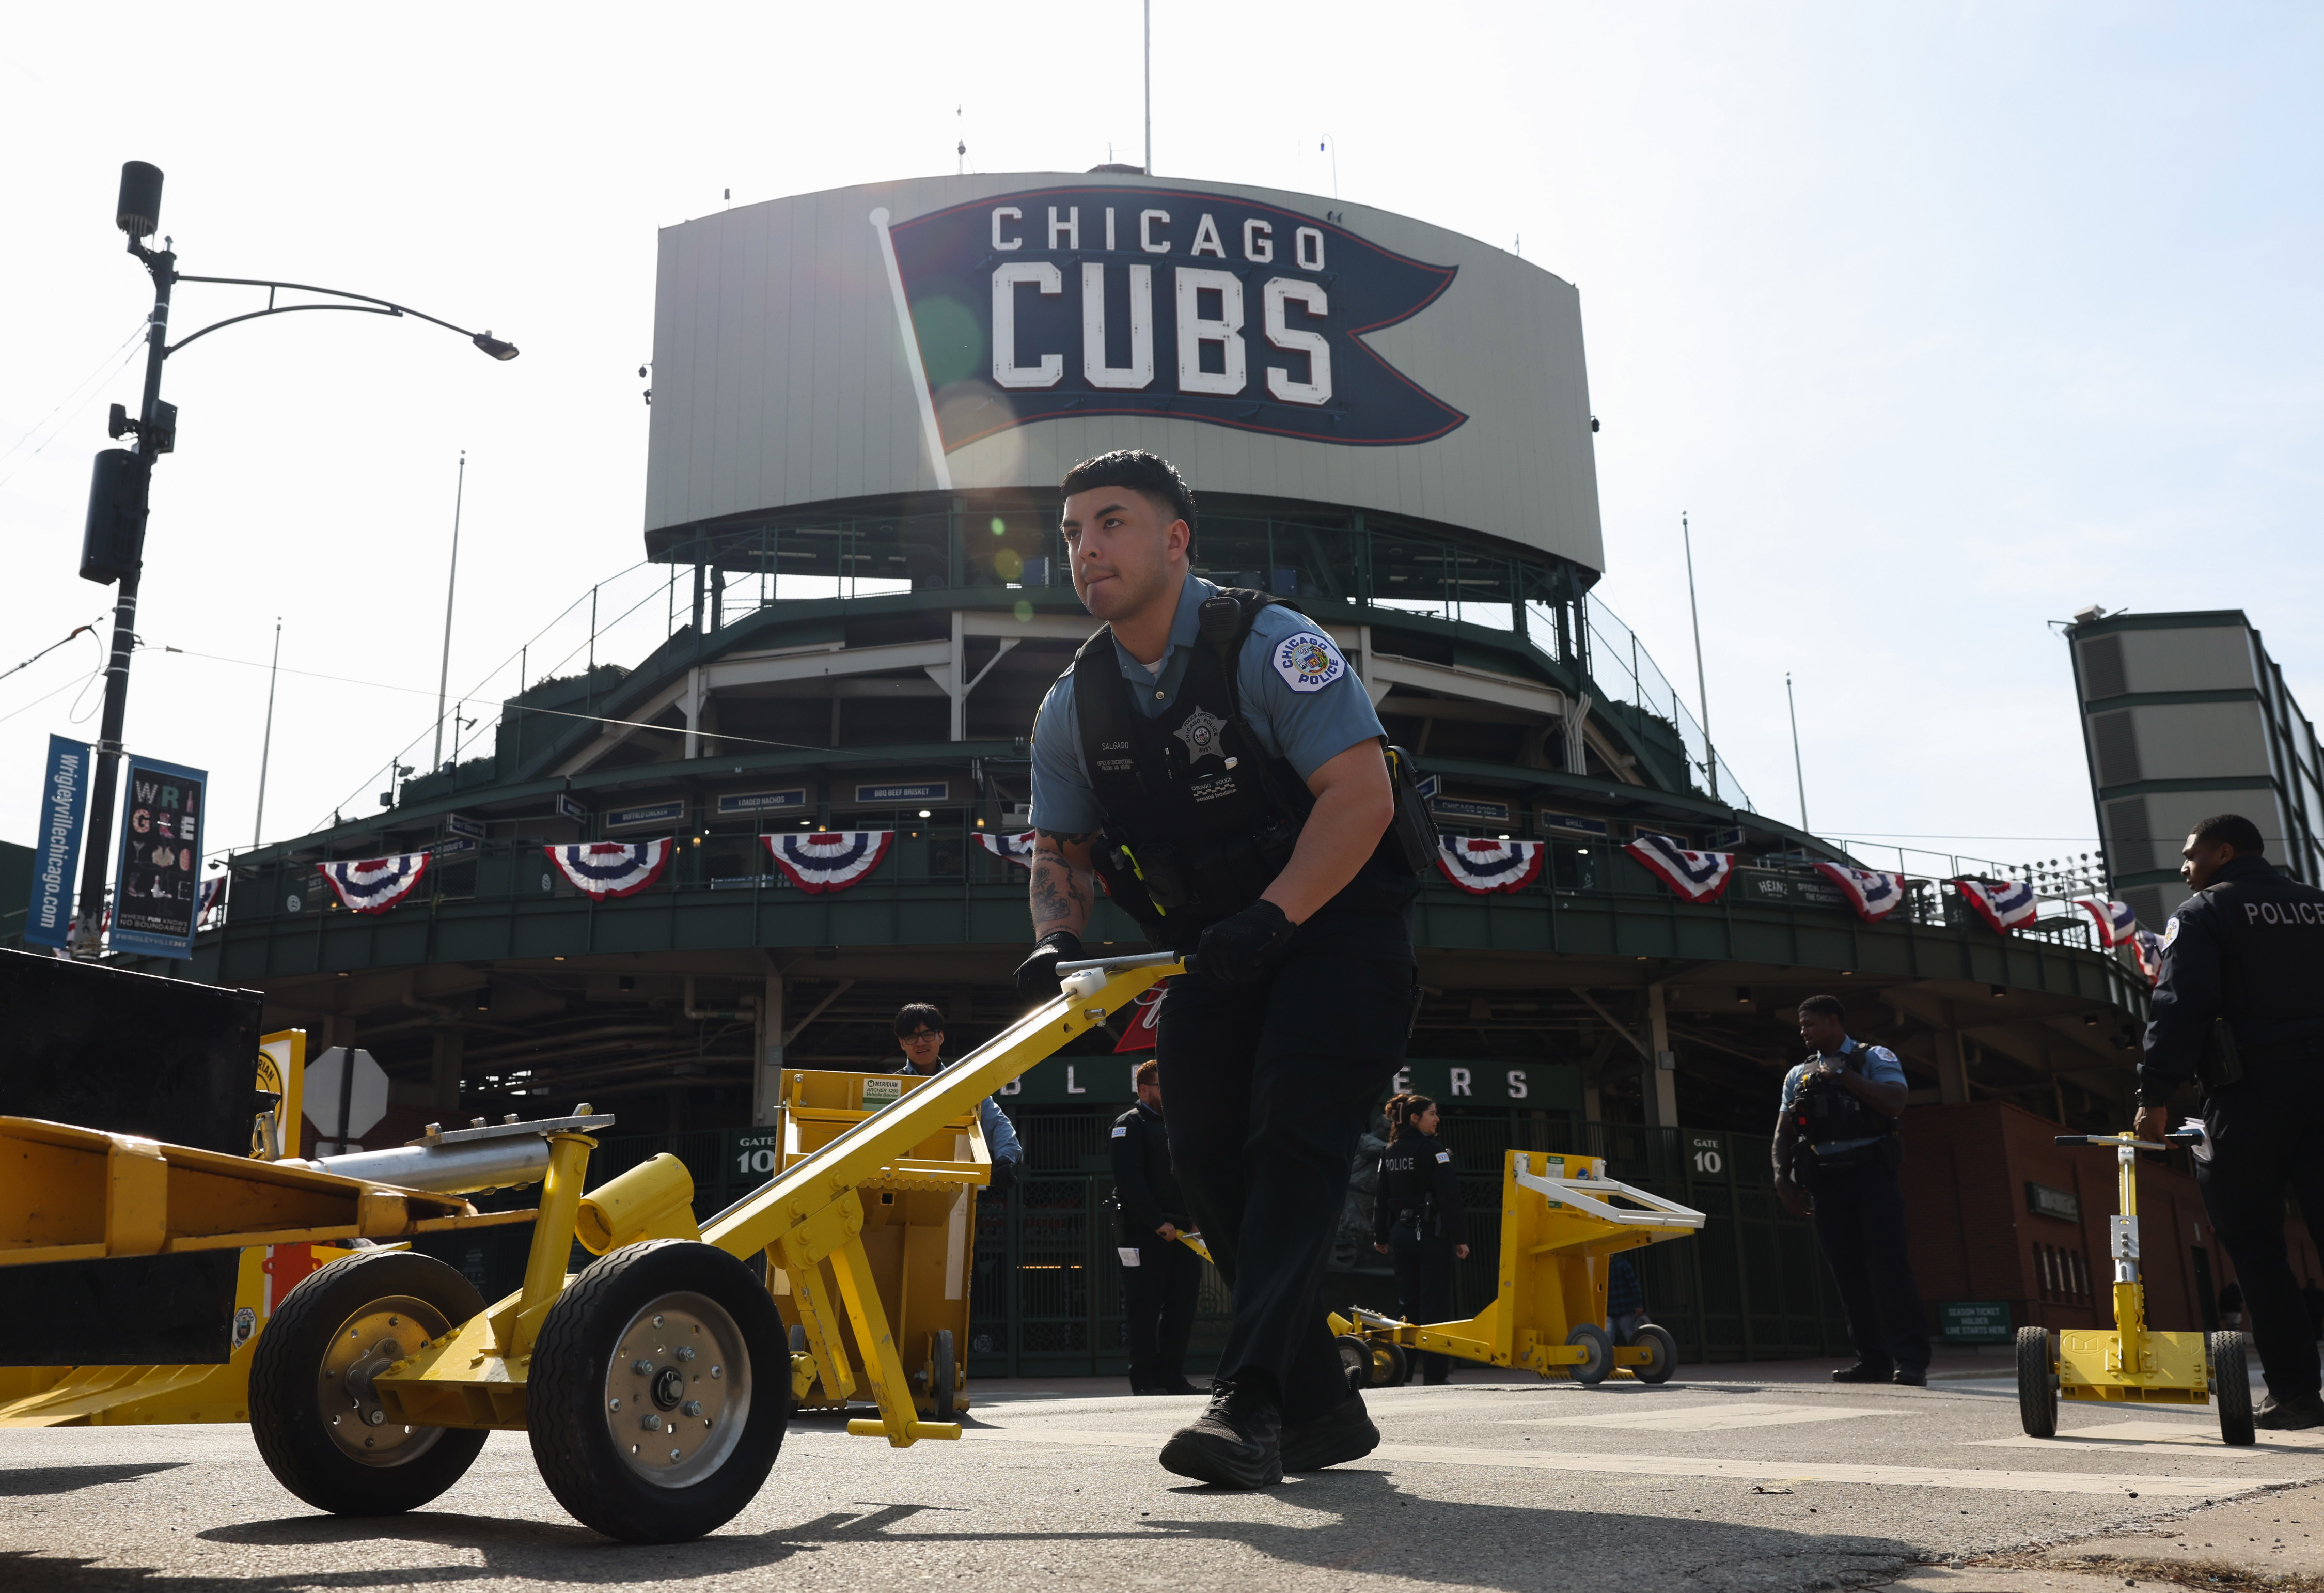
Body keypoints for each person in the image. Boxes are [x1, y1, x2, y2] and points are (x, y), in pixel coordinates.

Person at [1013, 450, 1426, 1489]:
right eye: (1070, 533)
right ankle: (1322, 1406)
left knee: (1296, 1127)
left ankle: (1249, 1402)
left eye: (1110, 522)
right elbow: (1059, 850)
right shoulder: (1072, 705)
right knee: (1198, 1145)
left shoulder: (1272, 645)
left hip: (1336, 927)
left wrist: (1276, 913)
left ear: (1175, 539)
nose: (1086, 548)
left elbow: (1360, 797)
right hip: (1216, 947)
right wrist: (1059, 940)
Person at [2132, 814, 2324, 1431]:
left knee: (2257, 1246)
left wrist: (2155, 1095)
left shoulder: (2203, 914)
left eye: (2190, 857)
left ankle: (2296, 1395)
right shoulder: (2319, 905)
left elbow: (2179, 1006)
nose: (2184, 869)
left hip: (2252, 1095)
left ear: (2223, 851)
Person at [1772, 994, 1931, 1386]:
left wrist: (1844, 1076)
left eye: (1810, 1023)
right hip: (1826, 1181)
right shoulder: (1797, 1075)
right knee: (1848, 1274)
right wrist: (1783, 1179)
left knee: (1889, 1268)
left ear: (1833, 1021)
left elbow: (1895, 1102)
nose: (1804, 1031)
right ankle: (1872, 1360)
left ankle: (1910, 1361)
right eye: (1802, 1024)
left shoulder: (1873, 1057)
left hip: (1872, 1175)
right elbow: (1783, 1133)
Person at [1112, 1057, 1203, 1396]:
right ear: (1144, 1089)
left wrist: (1196, 1219)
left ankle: (1172, 1376)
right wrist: (1157, 1222)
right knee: (1144, 1310)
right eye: (1163, 1086)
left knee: (1182, 1307)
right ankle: (1145, 1381)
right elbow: (1130, 1182)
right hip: (1143, 1233)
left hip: (1183, 1233)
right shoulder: (1129, 1125)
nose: (1171, 1093)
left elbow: (1191, 1175)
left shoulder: (1177, 1123)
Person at [1371, 1092, 1469, 1384]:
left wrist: (1381, 1235)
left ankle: (1402, 1372)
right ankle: (1435, 1376)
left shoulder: (1390, 1152)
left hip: (1402, 1236)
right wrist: (1460, 1237)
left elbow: (1382, 1197)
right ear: (1415, 1118)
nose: (1437, 1120)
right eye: (1432, 1114)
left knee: (1408, 1305)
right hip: (1430, 1234)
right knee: (1435, 1306)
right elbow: (1449, 1197)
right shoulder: (1433, 1151)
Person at [891, 1002, 1020, 1194]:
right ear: (902, 1043)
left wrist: (1005, 1160)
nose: (920, 1043)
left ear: (941, 1037)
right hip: (898, 1187)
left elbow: (997, 1124)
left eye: (927, 1034)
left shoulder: (964, 1085)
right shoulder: (891, 1088)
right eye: (911, 1037)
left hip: (954, 1192)